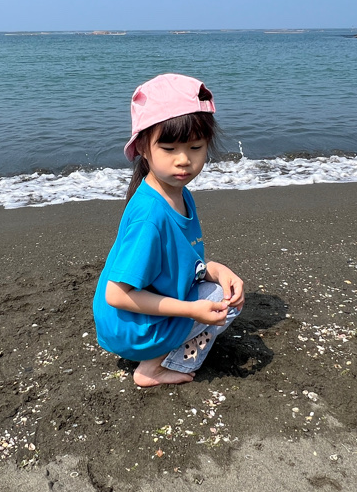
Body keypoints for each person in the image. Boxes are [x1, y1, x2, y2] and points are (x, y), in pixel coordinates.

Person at [92, 74, 245, 387]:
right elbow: (116, 294)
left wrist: (216, 269)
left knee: (224, 290)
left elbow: (181, 261)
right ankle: (153, 367)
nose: (184, 160)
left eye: (195, 147)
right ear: (143, 148)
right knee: (222, 303)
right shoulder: (150, 216)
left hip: (135, 322)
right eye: (169, 148)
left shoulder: (178, 193)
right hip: (132, 330)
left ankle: (163, 347)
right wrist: (191, 310)